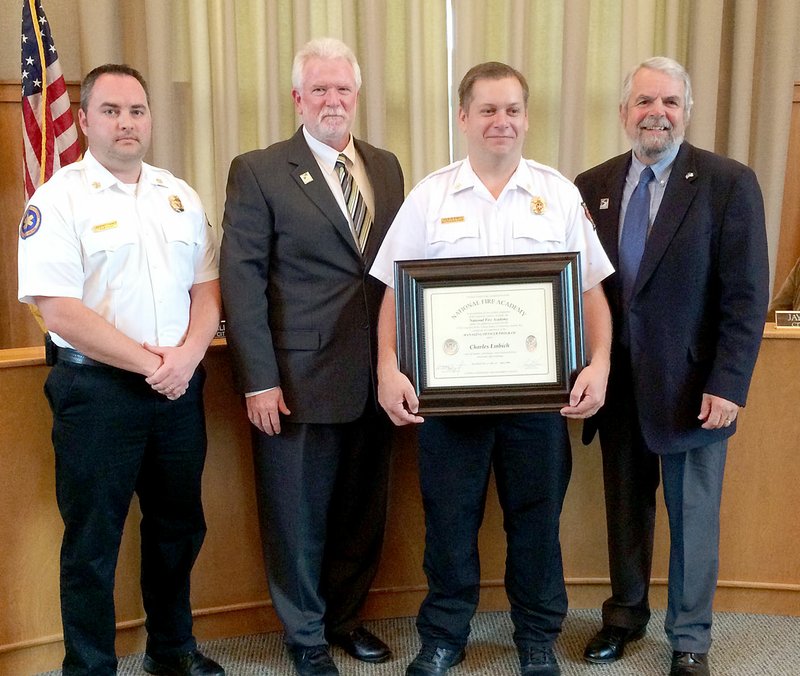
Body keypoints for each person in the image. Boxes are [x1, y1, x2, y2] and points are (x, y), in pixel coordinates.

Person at [370, 62, 614, 676]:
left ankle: (536, 639)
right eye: (487, 110)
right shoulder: (430, 197)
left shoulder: (558, 194)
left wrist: (601, 364)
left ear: (526, 118)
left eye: (512, 110)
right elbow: (395, 295)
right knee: (449, 524)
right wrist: (387, 368)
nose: (500, 122)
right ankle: (444, 636)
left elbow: (589, 294)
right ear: (463, 117)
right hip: (450, 405)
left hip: (537, 403)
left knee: (537, 525)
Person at [17, 64, 224, 676]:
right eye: (110, 110)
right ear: (83, 121)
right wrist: (148, 364)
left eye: (136, 110)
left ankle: (173, 651)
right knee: (93, 542)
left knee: (178, 528)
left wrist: (185, 357)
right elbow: (59, 309)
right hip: (97, 392)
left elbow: (207, 289)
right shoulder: (56, 200)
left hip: (179, 388)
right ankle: (89, 666)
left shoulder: (179, 195)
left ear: (150, 119)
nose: (126, 122)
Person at [575, 57, 769, 676]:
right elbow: (577, 287)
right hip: (618, 381)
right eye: (642, 102)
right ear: (624, 111)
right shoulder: (591, 184)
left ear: (686, 111)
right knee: (625, 507)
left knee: (692, 517)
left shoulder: (727, 183)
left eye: (668, 102)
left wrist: (729, 382)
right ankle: (625, 616)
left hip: (694, 386)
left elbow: (745, 296)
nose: (655, 112)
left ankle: (690, 639)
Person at [219, 37, 405, 676]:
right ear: (298, 99)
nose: (332, 100)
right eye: (319, 89)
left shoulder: (385, 166)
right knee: (296, 519)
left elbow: (390, 275)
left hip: (375, 377)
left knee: (361, 513)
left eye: (343, 89)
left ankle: (344, 621)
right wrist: (258, 381)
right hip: (295, 381)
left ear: (357, 97)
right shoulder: (259, 169)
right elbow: (240, 281)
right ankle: (303, 639)